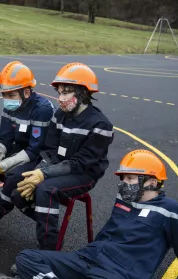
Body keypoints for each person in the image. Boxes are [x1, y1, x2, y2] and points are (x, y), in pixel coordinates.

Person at [0, 149, 178, 279]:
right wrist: (81, 258)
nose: (123, 184)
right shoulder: (125, 200)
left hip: (120, 276)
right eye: (123, 179)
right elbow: (108, 233)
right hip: (90, 259)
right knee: (26, 258)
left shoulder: (171, 211)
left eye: (130, 179)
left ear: (151, 181)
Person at [15, 62, 114, 250]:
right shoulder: (59, 115)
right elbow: (50, 150)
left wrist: (44, 175)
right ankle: (48, 224)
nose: (60, 98)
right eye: (59, 93)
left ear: (83, 93)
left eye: (65, 92)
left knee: (45, 189)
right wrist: (37, 171)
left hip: (84, 174)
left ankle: (48, 249)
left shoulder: (101, 126)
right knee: (17, 190)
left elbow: (81, 163)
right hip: (59, 167)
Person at [0, 61, 56, 243]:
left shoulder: (42, 110)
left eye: (11, 94)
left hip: (43, 156)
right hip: (23, 149)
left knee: (14, 176)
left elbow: (35, 150)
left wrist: (1, 166)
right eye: (5, 94)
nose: (7, 99)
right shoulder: (11, 106)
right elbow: (5, 139)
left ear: (26, 92)